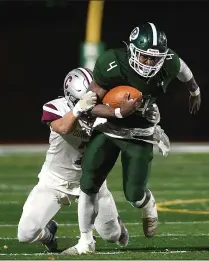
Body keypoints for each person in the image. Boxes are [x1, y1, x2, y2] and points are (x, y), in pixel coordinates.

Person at [62, 22, 201, 255]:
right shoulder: (111, 63)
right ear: (132, 51)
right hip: (108, 127)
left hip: (141, 133)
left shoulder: (167, 61)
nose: (149, 63)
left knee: (134, 195)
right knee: (88, 184)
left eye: (154, 58)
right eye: (144, 57)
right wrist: (118, 112)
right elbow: (89, 106)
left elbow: (182, 69)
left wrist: (194, 90)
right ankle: (85, 242)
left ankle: (147, 205)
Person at [17, 67, 129, 253]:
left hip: (92, 183)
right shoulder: (56, 108)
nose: (92, 109)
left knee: (112, 236)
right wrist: (78, 110)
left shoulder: (104, 114)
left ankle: (116, 225)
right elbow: (62, 127)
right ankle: (48, 234)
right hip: (54, 181)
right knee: (25, 234)